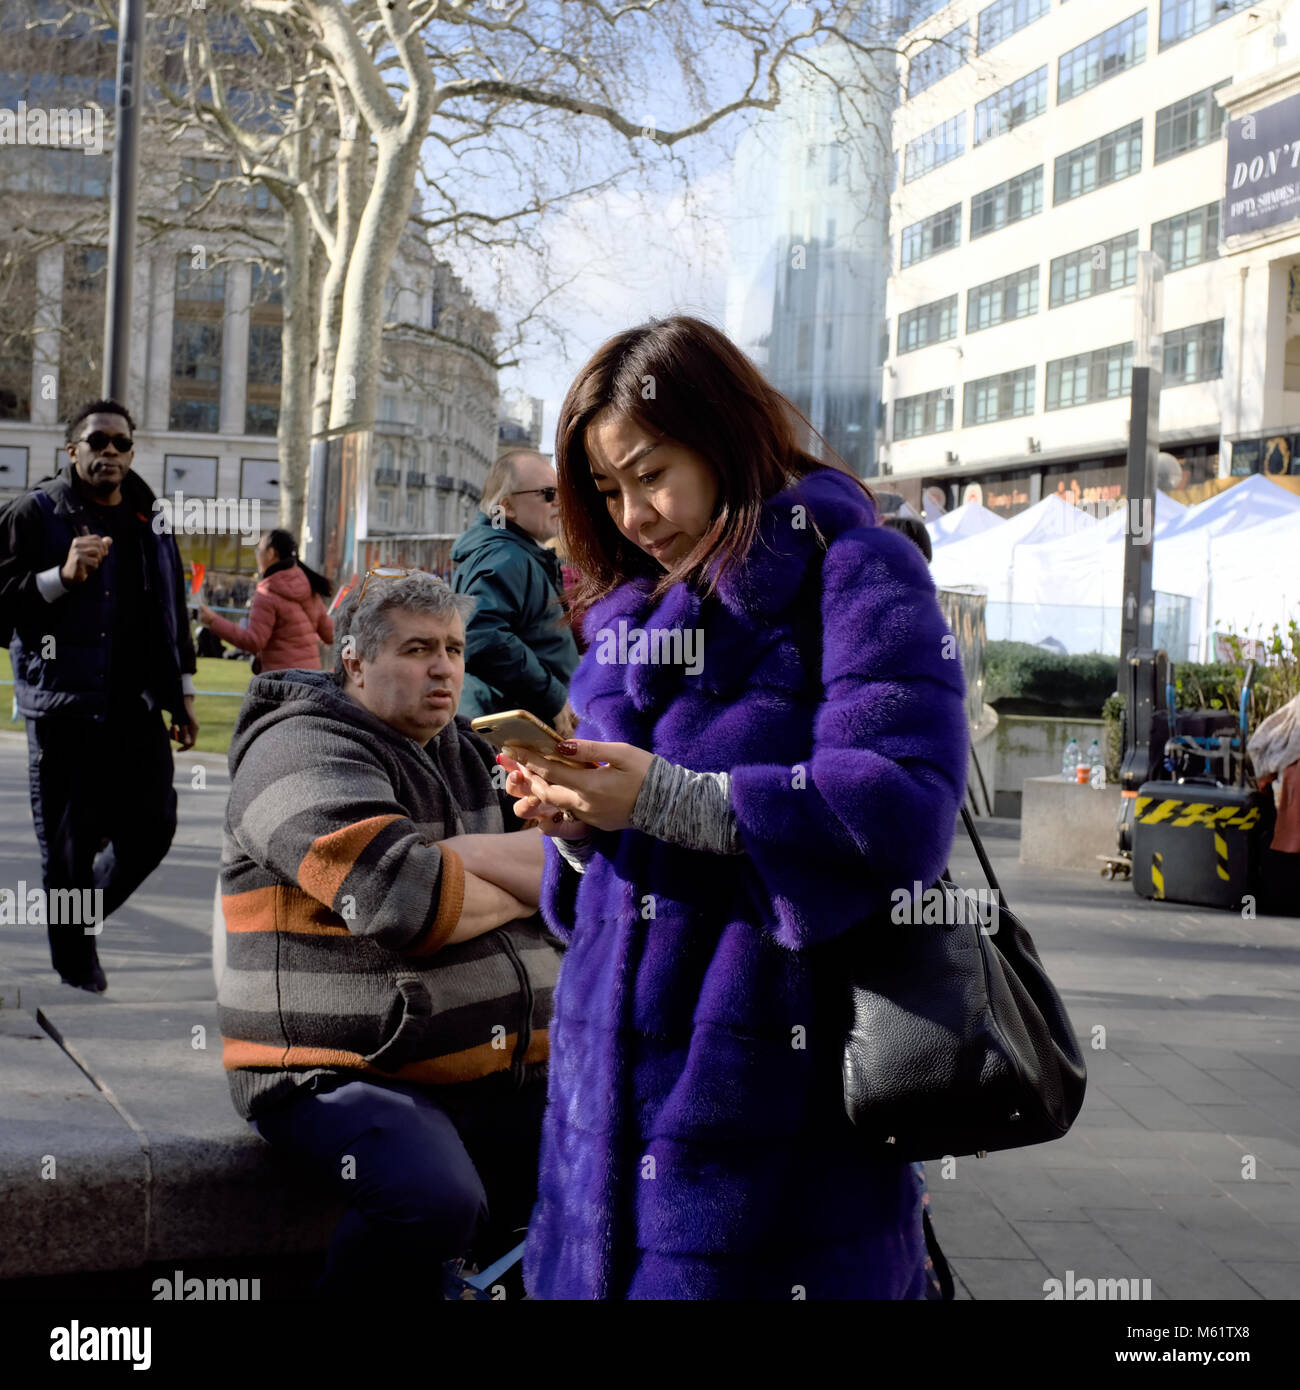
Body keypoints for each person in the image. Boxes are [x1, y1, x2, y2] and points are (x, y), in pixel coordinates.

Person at [498, 315, 969, 1300]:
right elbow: (597, 886)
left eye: (650, 472)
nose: (633, 513)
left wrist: (670, 798)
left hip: (775, 1121)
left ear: (721, 436)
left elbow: (905, 812)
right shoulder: (628, 618)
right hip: (599, 1134)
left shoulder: (855, 571)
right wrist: (578, 824)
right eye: (608, 490)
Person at [216, 569, 563, 1298]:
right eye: (416, 648)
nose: (444, 667)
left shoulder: (469, 752)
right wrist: (526, 877)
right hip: (337, 1070)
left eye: (455, 649)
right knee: (430, 1202)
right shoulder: (296, 750)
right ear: (355, 659)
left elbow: (585, 876)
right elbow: (406, 902)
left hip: (495, 1065)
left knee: (639, 1151)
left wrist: (474, 864)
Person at [0, 399, 199, 994]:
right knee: (69, 846)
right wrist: (58, 578)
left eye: (120, 443)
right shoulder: (34, 514)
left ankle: (75, 922)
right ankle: (74, 958)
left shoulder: (149, 519)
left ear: (132, 453)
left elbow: (170, 610)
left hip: (135, 708)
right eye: (97, 442)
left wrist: (182, 694)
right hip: (64, 709)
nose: (108, 452)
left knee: (153, 829)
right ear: (72, 451)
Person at [450, 450, 579, 734]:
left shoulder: (515, 554)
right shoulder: (505, 556)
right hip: (516, 735)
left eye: (561, 493)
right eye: (548, 494)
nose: (560, 503)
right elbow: (480, 636)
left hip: (522, 729)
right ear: (507, 507)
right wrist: (553, 696)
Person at [197, 528, 334, 673]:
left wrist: (213, 621)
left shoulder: (267, 594)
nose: (257, 555)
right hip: (311, 680)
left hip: (283, 683)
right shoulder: (308, 587)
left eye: (259, 550)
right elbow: (330, 635)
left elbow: (253, 641)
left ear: (271, 554)